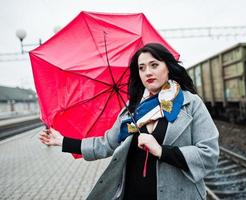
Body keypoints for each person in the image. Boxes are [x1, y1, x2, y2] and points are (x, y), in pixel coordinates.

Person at [39, 43, 219, 200]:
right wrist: (62, 141)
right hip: (132, 194)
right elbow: (105, 144)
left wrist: (160, 151)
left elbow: (209, 154)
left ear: (168, 67)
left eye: (154, 65)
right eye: (141, 68)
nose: (147, 72)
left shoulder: (190, 103)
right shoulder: (132, 109)